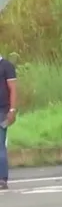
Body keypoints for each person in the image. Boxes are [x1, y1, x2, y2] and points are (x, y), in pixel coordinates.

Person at [0, 55, 17, 190]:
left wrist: (12, 110)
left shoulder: (6, 66)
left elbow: (13, 89)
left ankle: (2, 179)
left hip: (2, 112)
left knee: (0, 145)